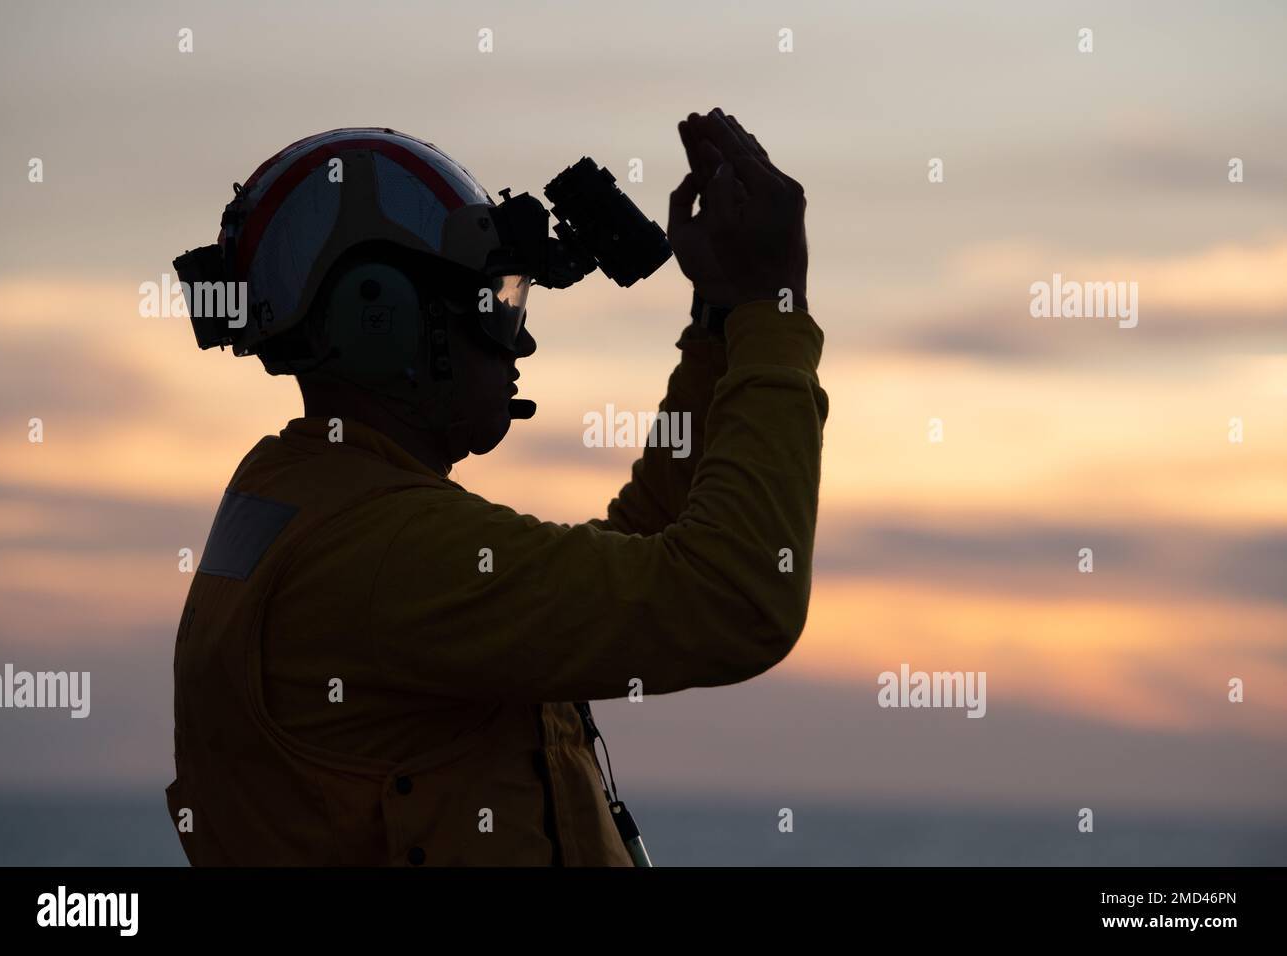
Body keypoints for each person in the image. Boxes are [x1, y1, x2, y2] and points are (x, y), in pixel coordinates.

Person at [167, 108, 828, 866]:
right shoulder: (385, 550)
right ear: (378, 314)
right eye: (500, 299)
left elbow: (638, 557)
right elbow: (735, 598)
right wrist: (772, 308)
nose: (523, 339)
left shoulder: (310, 503)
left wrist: (716, 324)